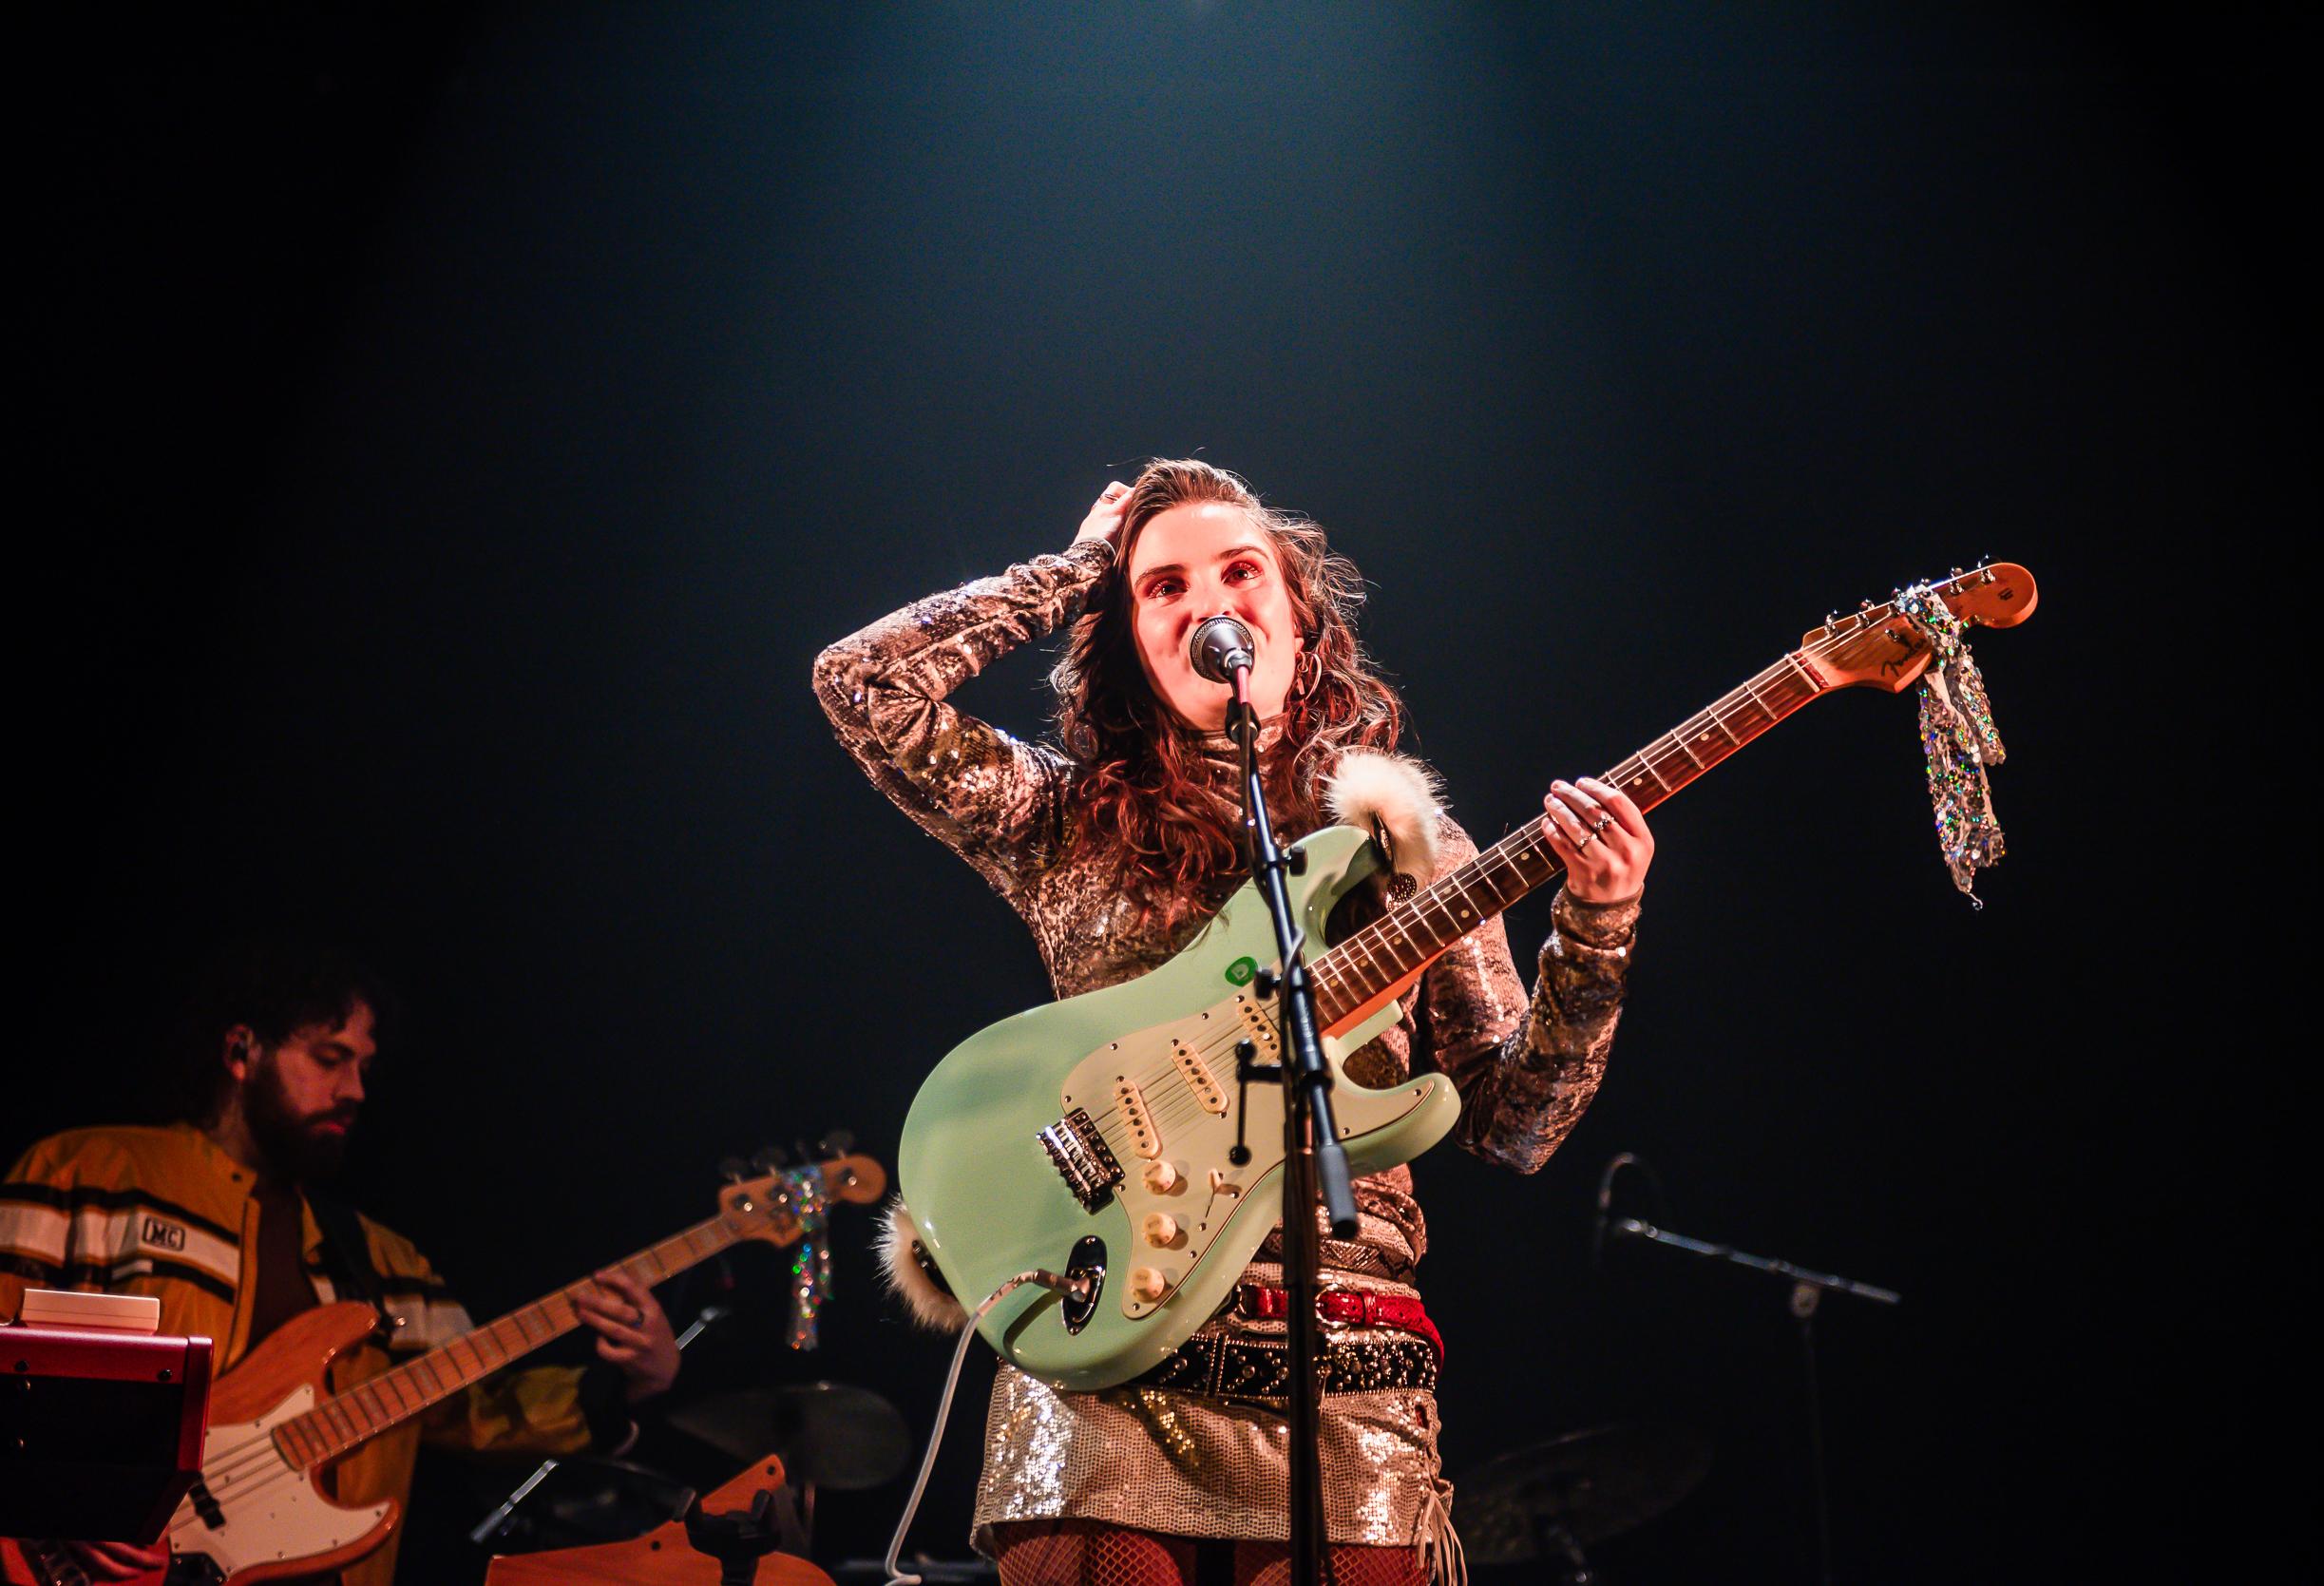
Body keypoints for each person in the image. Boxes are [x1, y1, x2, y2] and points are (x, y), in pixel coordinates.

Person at [812, 460, 1652, 1586]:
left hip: (1346, 1360)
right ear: (1129, 637)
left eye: (1241, 571)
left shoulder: (1412, 847)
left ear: (1299, 615)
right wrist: (1070, 571)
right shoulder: (1062, 815)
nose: (1208, 601)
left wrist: (1595, 931)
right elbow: (860, 683)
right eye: (1163, 587)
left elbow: (1518, 1126)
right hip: (1103, 1334)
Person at [0, 942, 683, 1585]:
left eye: (363, 1067)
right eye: (330, 1058)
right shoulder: (91, 1171)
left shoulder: (385, 1261)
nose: (355, 1089)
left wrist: (628, 1388)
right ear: (241, 1050)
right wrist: (56, 1490)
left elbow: (478, 1405)